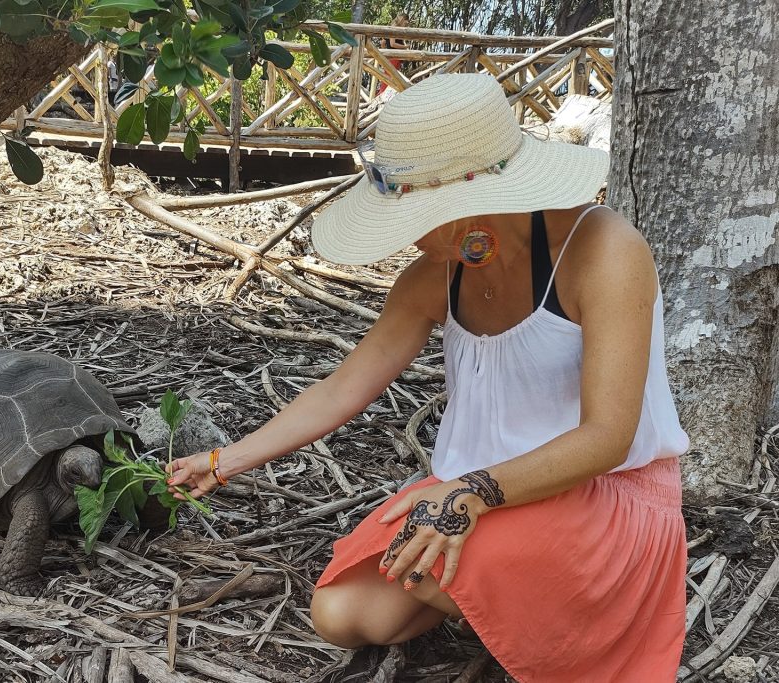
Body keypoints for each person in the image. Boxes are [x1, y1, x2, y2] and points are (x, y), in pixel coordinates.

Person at [166, 74, 689, 682]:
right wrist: (225, 460)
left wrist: (473, 492)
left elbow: (608, 437)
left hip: (601, 494)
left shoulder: (603, 250)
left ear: (478, 199)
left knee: (444, 569)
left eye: (417, 215)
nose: (408, 234)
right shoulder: (432, 278)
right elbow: (343, 387)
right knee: (343, 612)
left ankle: (547, 613)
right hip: (473, 492)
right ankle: (515, 603)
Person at [378, 13, 410, 94]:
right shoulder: (394, 28)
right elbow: (392, 44)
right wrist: (405, 47)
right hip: (393, 57)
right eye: (405, 23)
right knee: (390, 77)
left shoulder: (391, 28)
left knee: (390, 77)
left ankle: (384, 94)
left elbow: (383, 43)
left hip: (392, 57)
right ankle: (383, 94)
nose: (405, 25)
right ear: (402, 20)